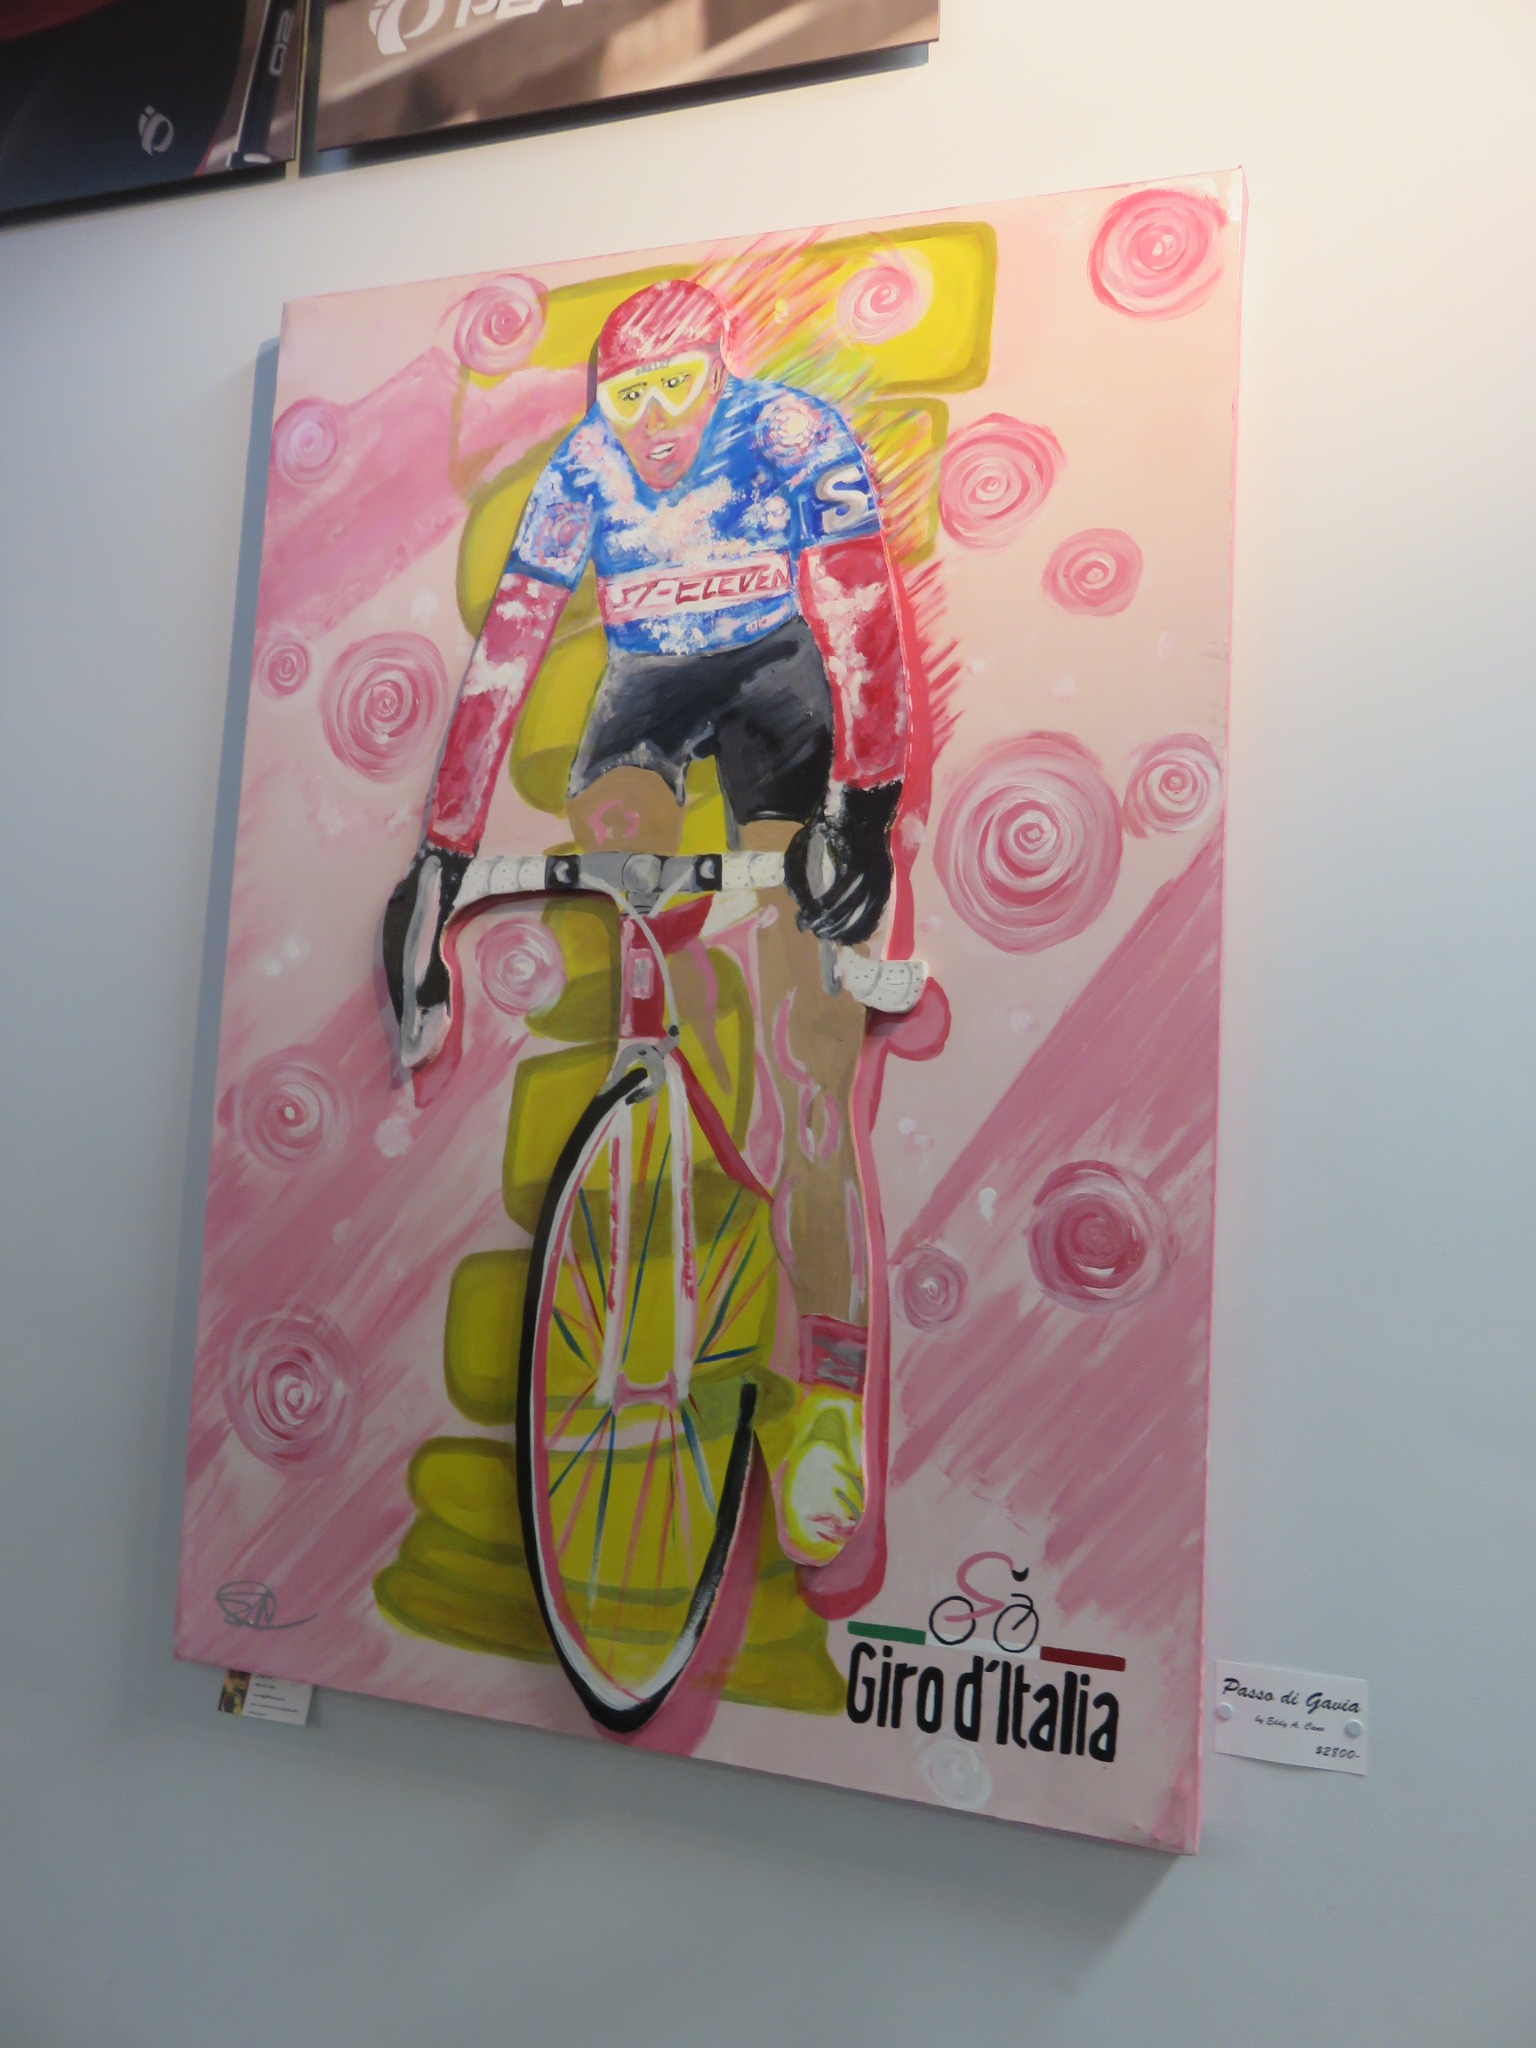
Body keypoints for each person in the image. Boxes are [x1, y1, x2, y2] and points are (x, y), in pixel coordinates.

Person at [383, 278, 910, 1571]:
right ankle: (657, 1054)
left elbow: (856, 610)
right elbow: (507, 650)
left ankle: (827, 1394)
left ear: (723, 379)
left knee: (811, 1062)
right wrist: (441, 857)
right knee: (619, 856)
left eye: (679, 392)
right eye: (631, 399)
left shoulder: (789, 433)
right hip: (648, 688)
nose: (658, 422)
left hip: (778, 680)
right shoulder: (584, 467)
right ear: (601, 402)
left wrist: (867, 806)